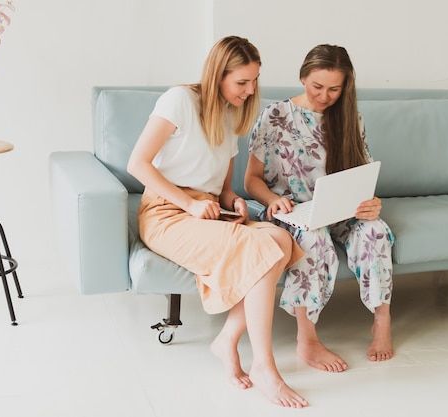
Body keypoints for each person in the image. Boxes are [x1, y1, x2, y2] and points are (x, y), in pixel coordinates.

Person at [127, 36, 308, 408]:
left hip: (208, 209)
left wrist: (234, 202)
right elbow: (138, 164)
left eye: (254, 81)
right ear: (217, 76)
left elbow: (223, 189)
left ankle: (226, 340)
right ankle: (264, 365)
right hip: (165, 212)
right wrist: (188, 205)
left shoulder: (230, 116)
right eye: (242, 82)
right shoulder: (179, 100)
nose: (250, 90)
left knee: (281, 241)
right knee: (261, 246)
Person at [244, 44, 395, 372]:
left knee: (376, 230)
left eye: (334, 89)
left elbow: (360, 175)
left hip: (340, 210)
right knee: (313, 239)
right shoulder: (276, 116)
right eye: (317, 86)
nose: (325, 96)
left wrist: (370, 203)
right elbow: (252, 180)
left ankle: (381, 320)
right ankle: (307, 339)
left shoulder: (351, 118)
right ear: (302, 77)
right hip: (291, 214)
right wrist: (273, 200)